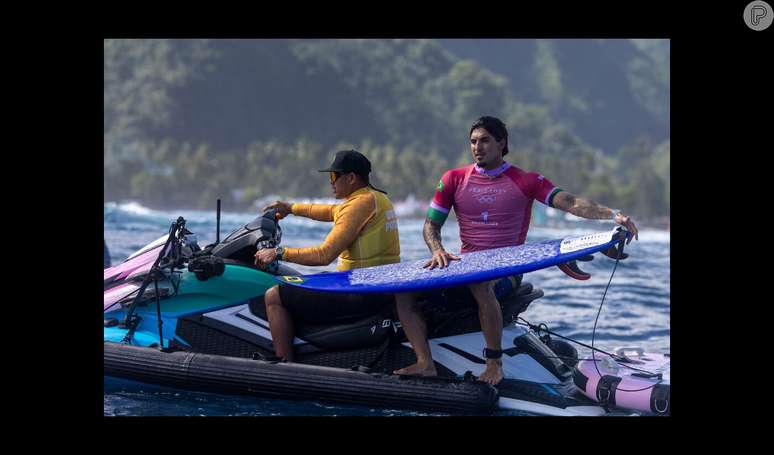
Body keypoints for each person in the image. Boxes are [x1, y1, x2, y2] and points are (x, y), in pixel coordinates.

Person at [394, 116, 639, 385]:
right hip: (465, 267)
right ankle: (425, 363)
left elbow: (572, 202)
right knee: (404, 290)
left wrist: (613, 214)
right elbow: (431, 225)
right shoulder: (453, 179)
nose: (478, 147)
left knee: (480, 283)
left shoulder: (526, 180)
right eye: (473, 142)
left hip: (507, 272)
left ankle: (494, 364)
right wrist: (437, 249)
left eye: (485, 140)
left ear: (502, 143)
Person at [254, 149, 400, 361]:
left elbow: (324, 255)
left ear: (351, 178)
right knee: (304, 281)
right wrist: (291, 208)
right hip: (377, 284)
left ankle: (285, 365)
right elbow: (330, 211)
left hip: (359, 291)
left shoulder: (359, 205)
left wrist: (278, 252)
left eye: (334, 176)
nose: (331, 182)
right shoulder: (376, 198)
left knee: (274, 295)